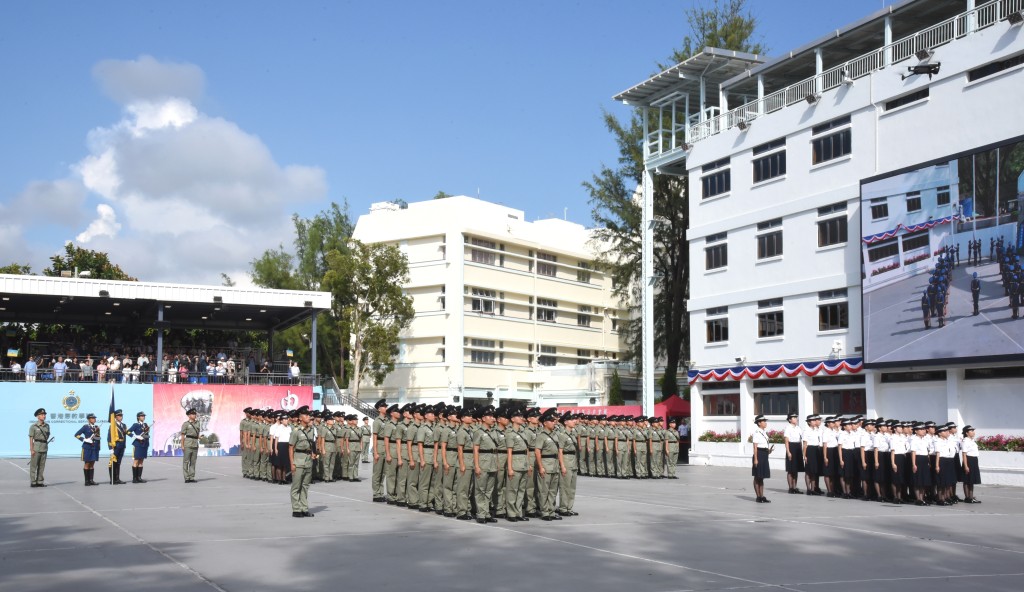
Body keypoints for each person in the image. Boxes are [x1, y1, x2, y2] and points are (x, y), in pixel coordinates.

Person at [534, 409, 564, 520]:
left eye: (553, 421)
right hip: (546, 464)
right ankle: (545, 512)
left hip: (555, 465)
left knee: (553, 490)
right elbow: (537, 452)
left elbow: (559, 451)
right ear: (545, 423)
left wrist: (561, 465)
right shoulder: (541, 436)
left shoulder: (555, 435)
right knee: (544, 490)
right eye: (551, 421)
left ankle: (551, 511)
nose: (553, 422)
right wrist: (541, 467)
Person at [289, 406, 318, 517]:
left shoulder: (311, 431)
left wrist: (312, 454)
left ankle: (304, 508)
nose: (308, 417)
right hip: (298, 460)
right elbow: (291, 447)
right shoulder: (296, 431)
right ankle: (296, 509)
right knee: (296, 486)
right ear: (300, 418)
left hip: (308, 461)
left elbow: (310, 445)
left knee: (305, 486)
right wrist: (292, 463)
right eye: (306, 415)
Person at [472, 407, 500, 523]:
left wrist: (497, 463)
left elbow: (496, 449)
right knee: (480, 490)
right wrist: (477, 466)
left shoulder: (494, 431)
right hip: (483, 463)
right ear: (483, 418)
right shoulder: (478, 432)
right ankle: (481, 514)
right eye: (490, 416)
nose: (493, 418)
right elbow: (476, 450)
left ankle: (487, 512)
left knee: (489, 490)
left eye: (493, 416)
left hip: (492, 462)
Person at [556, 412, 579, 516]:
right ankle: (563, 508)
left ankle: (569, 507)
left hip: (573, 460)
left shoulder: (572, 434)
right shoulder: (562, 435)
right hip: (565, 460)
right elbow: (560, 451)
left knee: (572, 487)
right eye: (571, 420)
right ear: (565, 422)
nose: (574, 421)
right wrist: (562, 466)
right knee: (565, 486)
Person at [75, 413, 101, 485]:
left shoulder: (97, 427)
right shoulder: (85, 427)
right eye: (92, 418)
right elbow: (76, 435)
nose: (94, 419)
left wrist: (96, 438)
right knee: (87, 463)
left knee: (92, 463)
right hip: (87, 447)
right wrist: (84, 439)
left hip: (94, 447)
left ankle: (91, 480)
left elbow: (98, 438)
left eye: (94, 418)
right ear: (89, 419)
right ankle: (86, 481)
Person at [371, 399, 389, 501]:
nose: (385, 408)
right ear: (379, 409)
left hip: (385, 447)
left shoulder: (387, 420)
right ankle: (376, 494)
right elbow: (375, 437)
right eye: (384, 407)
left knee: (383, 472)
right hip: (379, 445)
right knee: (377, 472)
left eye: (386, 407)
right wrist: (376, 452)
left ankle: (381, 493)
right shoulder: (377, 421)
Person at [751, 415, 772, 503]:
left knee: (762, 476)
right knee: (757, 476)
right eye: (763, 421)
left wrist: (768, 451)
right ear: (759, 423)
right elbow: (755, 447)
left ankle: (762, 495)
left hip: (764, 454)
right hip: (758, 454)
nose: (765, 423)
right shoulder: (757, 433)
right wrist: (756, 459)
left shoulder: (764, 432)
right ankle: (758, 496)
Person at [28, 408, 50, 487]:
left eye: (44, 415)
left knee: (42, 466)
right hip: (36, 448)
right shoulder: (33, 426)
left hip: (44, 448)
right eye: (42, 415)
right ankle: (33, 482)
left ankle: (40, 481)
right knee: (34, 466)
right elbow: (31, 438)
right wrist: (31, 449)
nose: (44, 416)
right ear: (38, 416)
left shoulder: (47, 426)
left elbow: (47, 435)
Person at [960, 425, 982, 503]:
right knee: (967, 480)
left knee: (971, 480)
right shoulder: (965, 441)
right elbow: (964, 454)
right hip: (968, 460)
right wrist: (966, 466)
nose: (973, 432)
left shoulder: (972, 440)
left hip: (974, 460)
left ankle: (971, 496)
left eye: (973, 430)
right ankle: (967, 497)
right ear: (966, 433)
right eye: (971, 431)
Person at [783, 412, 803, 494]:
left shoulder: (798, 428)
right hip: (791, 447)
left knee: (796, 469)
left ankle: (795, 487)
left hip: (798, 447)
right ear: (790, 420)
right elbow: (786, 441)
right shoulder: (788, 428)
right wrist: (788, 452)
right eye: (794, 418)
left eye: (796, 417)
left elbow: (801, 439)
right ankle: (790, 488)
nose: (796, 419)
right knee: (791, 469)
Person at [127, 412, 151, 483]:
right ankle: (134, 478)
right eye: (142, 416)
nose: (143, 417)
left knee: (141, 461)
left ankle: (139, 477)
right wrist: (135, 436)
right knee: (136, 461)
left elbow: (147, 434)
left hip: (144, 444)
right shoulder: (136, 425)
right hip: (138, 444)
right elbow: (128, 432)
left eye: (144, 416)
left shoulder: (145, 425)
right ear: (138, 417)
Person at [180, 408, 201, 483]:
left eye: (195, 414)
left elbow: (197, 433)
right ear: (189, 415)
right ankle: (186, 477)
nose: (194, 415)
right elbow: (182, 436)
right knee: (186, 461)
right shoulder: (185, 424)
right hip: (188, 444)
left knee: (193, 461)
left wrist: (199, 437)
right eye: (192, 414)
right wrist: (182, 445)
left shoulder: (198, 423)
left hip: (195, 444)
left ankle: (191, 477)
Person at [108, 410, 128, 485]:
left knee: (118, 463)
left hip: (122, 445)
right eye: (119, 416)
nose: (120, 417)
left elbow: (127, 433)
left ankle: (117, 479)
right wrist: (110, 448)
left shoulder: (124, 425)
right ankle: (112, 479)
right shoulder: (113, 425)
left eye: (121, 416)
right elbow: (109, 437)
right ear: (115, 417)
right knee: (113, 462)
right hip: (115, 445)